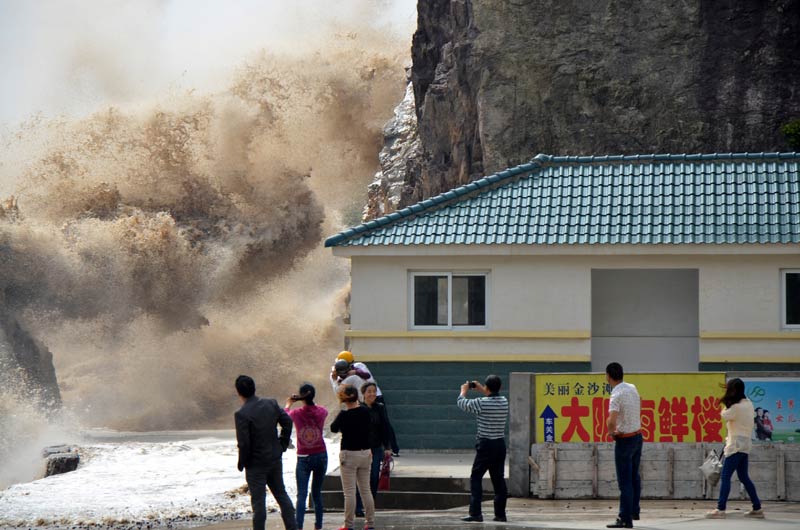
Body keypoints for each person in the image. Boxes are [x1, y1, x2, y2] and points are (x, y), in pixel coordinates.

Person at [234, 375, 298, 530]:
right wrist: (282, 444)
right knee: (281, 495)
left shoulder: (241, 414)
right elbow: (287, 422)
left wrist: (241, 463)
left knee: (258, 504)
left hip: (255, 465)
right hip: (274, 459)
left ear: (238, 392)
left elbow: (244, 443)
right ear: (254, 388)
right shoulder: (271, 403)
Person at [706, 378, 764, 519]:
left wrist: (727, 403)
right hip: (745, 446)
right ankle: (757, 508)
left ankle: (720, 509)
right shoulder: (749, 404)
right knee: (744, 477)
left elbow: (724, 415)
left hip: (735, 446)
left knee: (725, 477)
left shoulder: (735, 408)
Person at [457, 375, 509, 523]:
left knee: (476, 477)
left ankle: (476, 513)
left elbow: (462, 403)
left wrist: (463, 390)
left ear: (487, 387)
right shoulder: (504, 402)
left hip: (486, 445)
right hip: (499, 445)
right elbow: (491, 397)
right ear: (500, 387)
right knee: (498, 479)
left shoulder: (481, 403)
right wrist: (482, 389)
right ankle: (500, 514)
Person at [336, 351, 400, 456]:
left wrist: (355, 372)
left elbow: (367, 375)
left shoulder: (358, 367)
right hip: (365, 399)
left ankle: (392, 448)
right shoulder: (348, 373)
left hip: (375, 396)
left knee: (384, 423)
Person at [330, 385, 375, 530]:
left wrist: (341, 414)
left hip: (349, 454)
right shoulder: (366, 411)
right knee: (366, 490)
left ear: (343, 398)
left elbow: (333, 428)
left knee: (349, 493)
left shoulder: (344, 415)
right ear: (357, 396)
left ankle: (348, 524)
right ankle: (370, 523)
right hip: (366, 453)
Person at [285, 383, 328, 530]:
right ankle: (318, 525)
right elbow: (322, 410)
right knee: (316, 493)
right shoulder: (322, 411)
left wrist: (289, 403)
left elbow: (284, 417)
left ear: (301, 397)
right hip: (321, 454)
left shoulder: (296, 413)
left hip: (303, 457)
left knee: (302, 495)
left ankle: (299, 527)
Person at [605, 362, 642, 529]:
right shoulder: (632, 387)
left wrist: (612, 432)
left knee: (625, 481)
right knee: (634, 477)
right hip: (637, 437)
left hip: (625, 440)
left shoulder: (616, 395)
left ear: (608, 376)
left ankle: (625, 518)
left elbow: (612, 420)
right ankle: (634, 510)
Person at [355, 381, 391, 516]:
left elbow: (385, 427)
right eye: (369, 391)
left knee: (374, 477)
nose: (372, 394)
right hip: (360, 449)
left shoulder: (380, 407)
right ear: (363, 394)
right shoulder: (358, 408)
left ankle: (369, 506)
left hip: (376, 448)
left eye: (374, 391)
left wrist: (387, 447)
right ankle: (358, 507)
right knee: (360, 478)